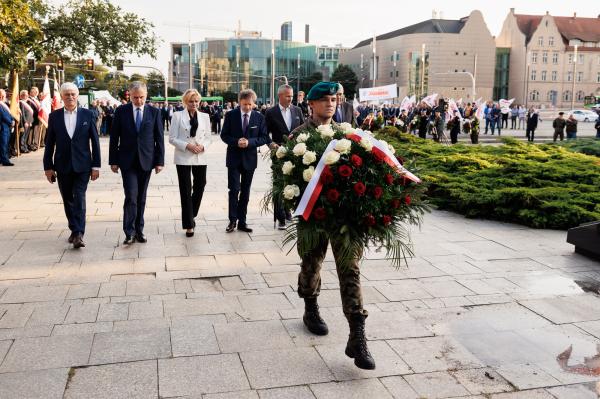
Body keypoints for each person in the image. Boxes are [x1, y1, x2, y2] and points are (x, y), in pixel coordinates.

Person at [291, 81, 375, 370]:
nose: (330, 104)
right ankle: (310, 308)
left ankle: (357, 335)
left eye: (334, 100)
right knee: (311, 264)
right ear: (311, 105)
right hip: (313, 215)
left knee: (349, 269)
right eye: (324, 99)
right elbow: (285, 181)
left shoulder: (347, 134)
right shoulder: (299, 136)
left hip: (342, 218)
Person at [43, 82, 101, 248]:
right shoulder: (54, 116)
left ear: (77, 96)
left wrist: (96, 166)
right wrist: (48, 167)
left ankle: (78, 233)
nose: (70, 97)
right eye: (66, 94)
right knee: (67, 198)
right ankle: (74, 229)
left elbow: (95, 142)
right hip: (62, 165)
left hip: (83, 165)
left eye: (73, 94)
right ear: (62, 97)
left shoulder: (88, 114)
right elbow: (49, 144)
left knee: (79, 197)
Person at [109, 81, 165, 245]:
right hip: (127, 161)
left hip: (146, 161)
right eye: (135, 97)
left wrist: (159, 161)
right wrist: (113, 160)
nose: (138, 101)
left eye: (141, 97)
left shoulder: (154, 112)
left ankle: (140, 230)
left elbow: (159, 138)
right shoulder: (121, 111)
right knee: (131, 196)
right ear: (130, 95)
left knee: (141, 198)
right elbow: (114, 137)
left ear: (146, 96)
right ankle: (129, 232)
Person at [220, 89, 270, 233]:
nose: (247, 107)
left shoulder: (259, 117)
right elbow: (224, 135)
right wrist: (237, 142)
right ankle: (232, 221)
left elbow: (264, 137)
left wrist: (250, 142)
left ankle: (242, 221)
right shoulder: (230, 115)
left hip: (250, 159)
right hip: (233, 159)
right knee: (234, 189)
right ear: (239, 102)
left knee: (245, 191)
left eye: (249, 104)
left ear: (254, 103)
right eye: (244, 104)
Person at [169, 89, 211, 237]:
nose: (194, 104)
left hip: (200, 155)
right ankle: (189, 225)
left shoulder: (205, 116)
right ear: (185, 102)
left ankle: (190, 213)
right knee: (185, 189)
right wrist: (187, 145)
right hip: (183, 156)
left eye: (196, 101)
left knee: (201, 185)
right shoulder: (177, 116)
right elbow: (172, 138)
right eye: (191, 101)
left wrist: (202, 146)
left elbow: (208, 137)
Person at [265, 84, 305, 230]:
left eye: (292, 96)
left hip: (295, 154)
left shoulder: (298, 110)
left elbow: (304, 128)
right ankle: (280, 217)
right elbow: (265, 133)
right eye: (288, 96)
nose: (291, 99)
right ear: (280, 96)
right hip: (278, 155)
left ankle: (288, 211)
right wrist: (271, 144)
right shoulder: (271, 112)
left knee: (291, 183)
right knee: (279, 184)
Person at [0, 89, 15, 166]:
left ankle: (3, 159)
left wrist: (12, 120)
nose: (5, 95)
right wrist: (10, 122)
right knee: (3, 145)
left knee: (5, 144)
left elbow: (9, 114)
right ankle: (5, 161)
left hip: (7, 127)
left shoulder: (4, 104)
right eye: (4, 94)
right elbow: (3, 115)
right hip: (3, 127)